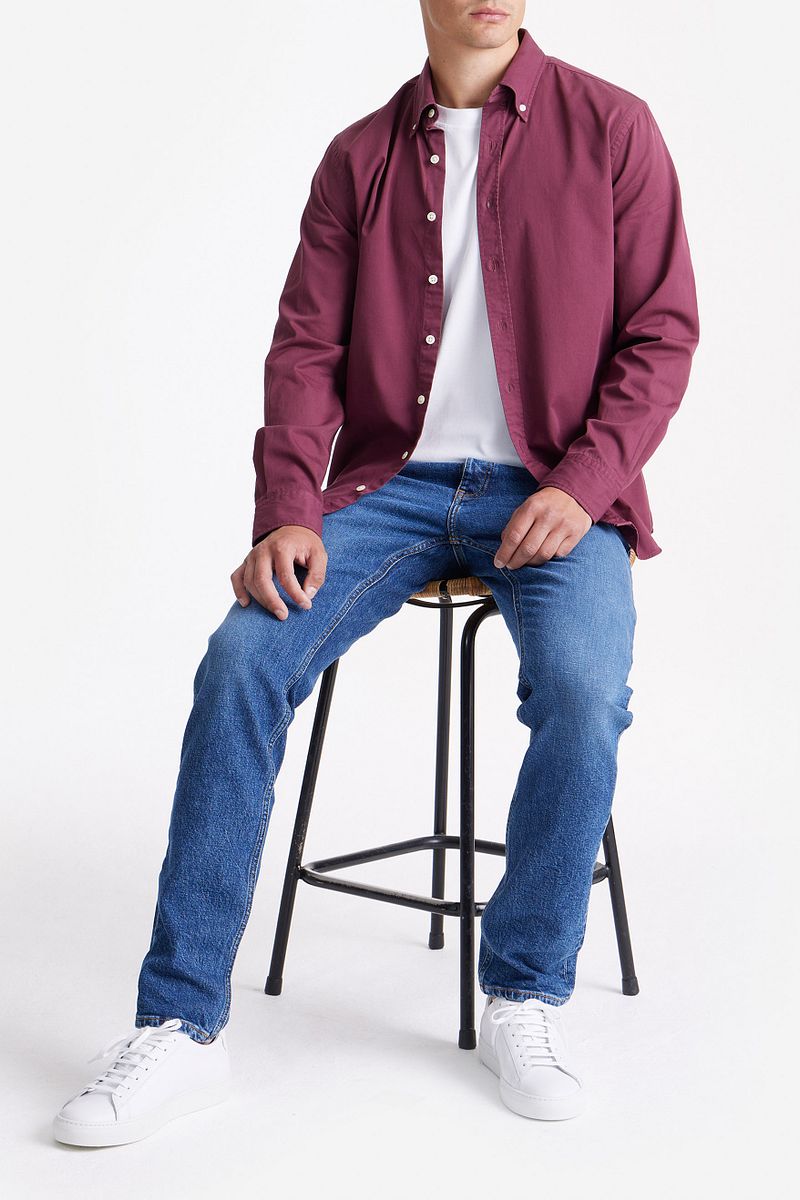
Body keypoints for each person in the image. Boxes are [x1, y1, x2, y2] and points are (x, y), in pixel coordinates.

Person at [53, 0, 699, 1146]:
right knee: (240, 660)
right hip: (387, 489)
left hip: (556, 489)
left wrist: (581, 484)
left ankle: (523, 992)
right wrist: (286, 512)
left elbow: (661, 332)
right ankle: (181, 1026)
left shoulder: (613, 128)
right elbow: (306, 348)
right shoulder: (359, 157)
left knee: (582, 690)